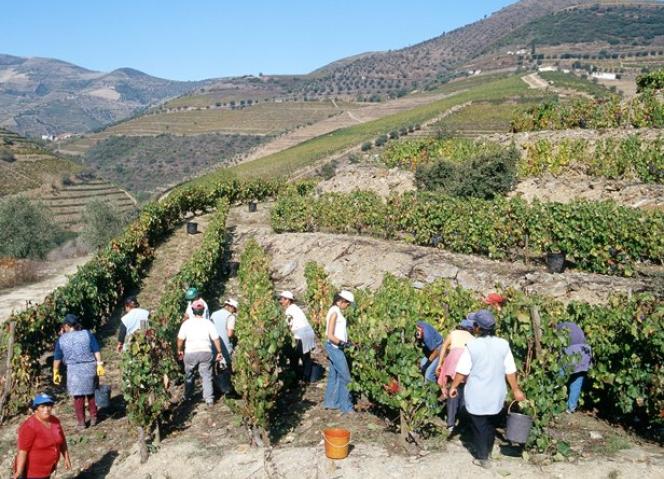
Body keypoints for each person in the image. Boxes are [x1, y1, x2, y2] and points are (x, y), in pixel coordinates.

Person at [449, 310, 526, 469]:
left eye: (474, 325)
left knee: (479, 425)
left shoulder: (472, 346)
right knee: (490, 423)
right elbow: (510, 370)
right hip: (496, 393)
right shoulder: (503, 344)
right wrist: (516, 389)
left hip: (477, 394)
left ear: (478, 328)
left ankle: (483, 457)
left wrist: (453, 387)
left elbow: (462, 372)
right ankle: (488, 451)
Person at [53, 314, 105, 430]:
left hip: (74, 370)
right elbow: (96, 349)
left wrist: (55, 372)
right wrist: (99, 364)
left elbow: (57, 357)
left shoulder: (62, 339)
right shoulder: (87, 334)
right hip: (89, 367)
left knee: (78, 397)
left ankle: (81, 422)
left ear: (67, 325)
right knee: (91, 393)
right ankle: (93, 418)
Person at [177, 299, 224, 406]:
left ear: (192, 310)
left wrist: (179, 350)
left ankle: (188, 397)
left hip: (190, 353)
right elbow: (216, 338)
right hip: (205, 352)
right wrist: (219, 351)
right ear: (203, 311)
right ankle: (209, 400)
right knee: (206, 376)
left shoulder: (186, 324)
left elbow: (180, 339)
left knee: (189, 375)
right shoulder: (208, 323)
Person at [13, 393, 71, 479]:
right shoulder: (29, 426)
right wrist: (19, 472)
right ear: (36, 409)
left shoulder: (55, 421)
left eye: (49, 406)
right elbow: (22, 451)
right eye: (42, 406)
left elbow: (62, 440)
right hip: (33, 473)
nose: (46, 409)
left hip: (48, 469)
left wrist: (66, 458)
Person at [436, 318, 476, 430]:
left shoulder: (453, 333)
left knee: (453, 390)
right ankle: (462, 423)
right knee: (464, 391)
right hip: (467, 361)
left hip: (453, 359)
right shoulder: (473, 339)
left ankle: (450, 423)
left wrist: (440, 363)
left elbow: (444, 346)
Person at [323, 290, 355, 413]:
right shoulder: (335, 313)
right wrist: (343, 343)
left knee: (334, 375)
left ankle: (331, 402)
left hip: (334, 347)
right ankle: (346, 406)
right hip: (335, 347)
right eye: (347, 303)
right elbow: (330, 335)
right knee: (346, 377)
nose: (348, 306)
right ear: (341, 301)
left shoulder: (335, 311)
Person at [278, 291, 316, 382]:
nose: (280, 301)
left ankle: (298, 379)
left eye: (282, 299)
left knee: (294, 357)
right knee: (305, 357)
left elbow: (287, 326)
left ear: (288, 300)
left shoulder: (290, 310)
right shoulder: (295, 308)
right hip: (307, 333)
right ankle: (306, 378)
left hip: (301, 335)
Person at [556, 321, 592, 413]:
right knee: (577, 380)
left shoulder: (558, 328)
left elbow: (557, 345)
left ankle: (555, 402)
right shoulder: (573, 325)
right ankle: (571, 408)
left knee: (560, 376)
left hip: (572, 352)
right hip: (585, 352)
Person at [210, 298, 238, 395]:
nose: (235, 311)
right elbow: (230, 334)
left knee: (215, 366)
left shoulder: (214, 314)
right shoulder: (230, 317)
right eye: (234, 309)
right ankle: (226, 389)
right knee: (225, 366)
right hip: (225, 345)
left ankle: (215, 388)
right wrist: (236, 335)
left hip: (213, 344)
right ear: (231, 307)